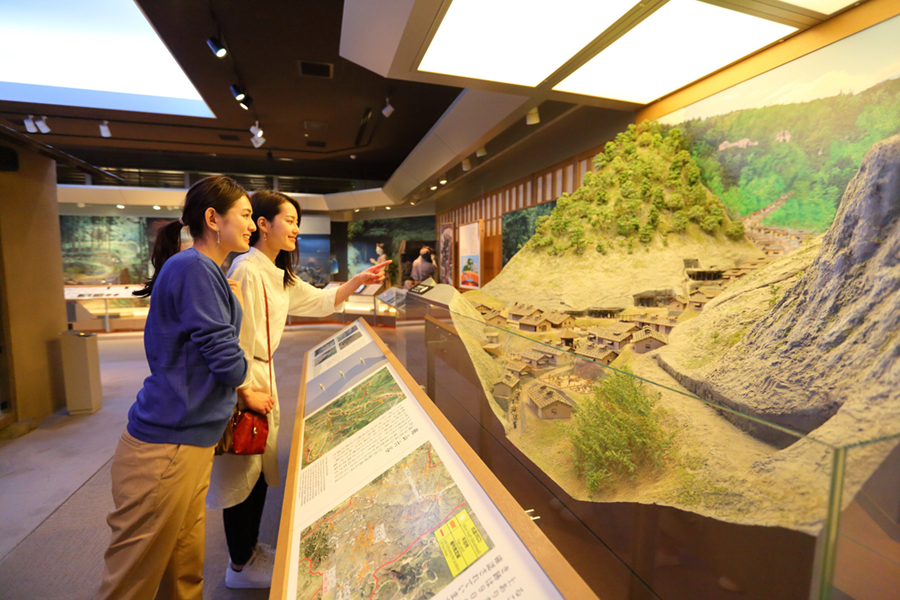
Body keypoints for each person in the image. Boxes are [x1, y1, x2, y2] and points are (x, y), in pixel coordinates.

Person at [209, 189, 390, 589]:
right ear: (263, 224)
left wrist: (359, 280)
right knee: (241, 470)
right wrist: (242, 391)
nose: (295, 229)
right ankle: (239, 566)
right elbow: (230, 341)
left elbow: (322, 301)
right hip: (245, 380)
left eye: (296, 222)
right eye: (288, 221)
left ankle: (250, 551)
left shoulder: (275, 273)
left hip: (261, 376)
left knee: (256, 469)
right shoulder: (247, 270)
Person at [98, 176, 256, 600]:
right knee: (132, 579)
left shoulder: (202, 269)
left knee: (182, 567)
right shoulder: (194, 268)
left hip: (188, 441)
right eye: (244, 215)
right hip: (167, 445)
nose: (252, 225)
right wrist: (241, 358)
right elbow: (227, 361)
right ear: (212, 218)